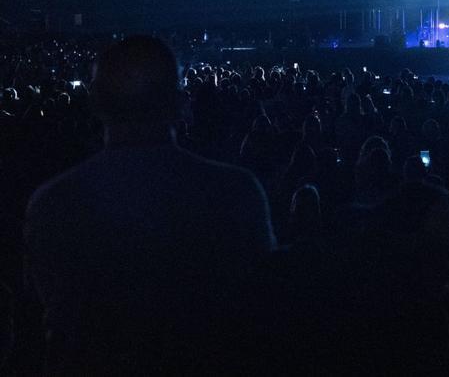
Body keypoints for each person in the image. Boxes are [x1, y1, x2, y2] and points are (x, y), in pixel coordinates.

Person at [23, 36, 276, 373]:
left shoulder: (53, 202)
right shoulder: (236, 192)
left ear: (96, 101)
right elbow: (262, 305)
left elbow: (45, 305)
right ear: (179, 101)